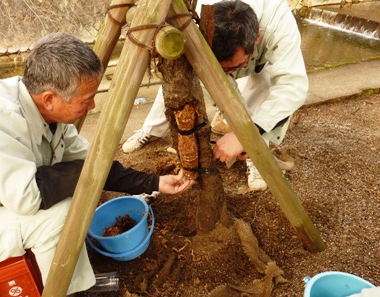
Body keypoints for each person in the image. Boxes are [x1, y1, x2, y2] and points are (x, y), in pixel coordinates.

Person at [0, 32, 193, 295]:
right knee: (59, 214)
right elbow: (28, 197)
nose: (93, 106)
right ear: (49, 98)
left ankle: (76, 284)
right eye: (85, 100)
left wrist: (153, 182)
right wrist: (86, 173)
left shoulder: (44, 110)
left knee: (77, 191)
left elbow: (92, 162)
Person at [122, 0, 308, 191]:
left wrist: (248, 135)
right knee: (178, 83)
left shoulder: (278, 23)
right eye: (223, 69)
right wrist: (240, 133)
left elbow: (292, 84)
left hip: (263, 56)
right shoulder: (199, 19)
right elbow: (222, 87)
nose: (228, 73)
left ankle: (255, 153)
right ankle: (150, 129)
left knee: (264, 84)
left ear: (257, 38)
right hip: (213, 50)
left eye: (234, 67)